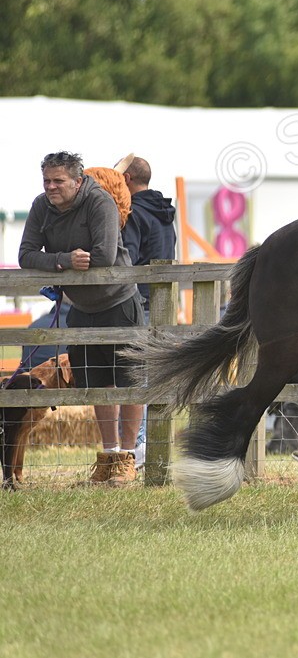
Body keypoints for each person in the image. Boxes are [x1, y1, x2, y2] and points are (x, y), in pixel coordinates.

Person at [18, 152, 145, 485]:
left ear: (78, 180)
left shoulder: (99, 201)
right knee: (97, 384)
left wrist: (54, 262)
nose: (51, 187)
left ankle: (128, 459)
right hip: (81, 308)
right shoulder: (40, 207)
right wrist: (66, 259)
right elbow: (25, 254)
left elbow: (103, 255)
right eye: (47, 180)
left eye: (58, 181)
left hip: (118, 302)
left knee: (129, 383)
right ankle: (108, 456)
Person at [115, 155, 177, 313]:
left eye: (115, 178)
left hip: (138, 304)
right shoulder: (164, 211)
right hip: (165, 300)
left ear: (126, 178)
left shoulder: (132, 213)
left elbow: (127, 259)